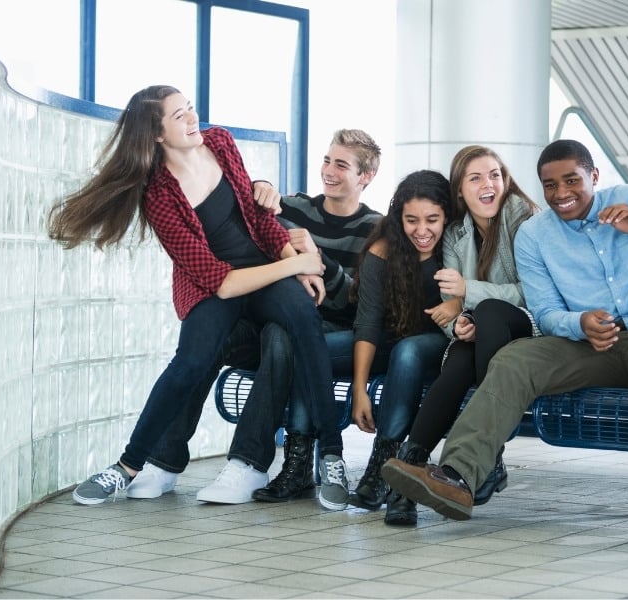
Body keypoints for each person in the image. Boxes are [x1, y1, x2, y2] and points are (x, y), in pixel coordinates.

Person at [383, 139, 628, 554]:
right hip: (587, 341)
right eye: (550, 185)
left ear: (594, 176)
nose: (560, 194)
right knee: (515, 359)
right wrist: (580, 323)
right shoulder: (535, 235)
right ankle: (459, 477)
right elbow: (545, 311)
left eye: (572, 180)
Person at [46, 85, 349, 510]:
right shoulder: (159, 195)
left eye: (190, 109)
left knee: (303, 321)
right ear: (155, 134)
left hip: (265, 272)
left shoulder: (220, 143)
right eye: (179, 116)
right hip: (217, 286)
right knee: (188, 363)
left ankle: (331, 456)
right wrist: (298, 265)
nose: (193, 119)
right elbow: (218, 280)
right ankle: (128, 466)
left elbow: (260, 220)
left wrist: (288, 255)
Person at [125, 129, 383, 505]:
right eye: (327, 160)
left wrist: (318, 260)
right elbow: (251, 214)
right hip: (265, 327)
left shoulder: (376, 231)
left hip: (325, 336)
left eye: (341, 165)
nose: (329, 170)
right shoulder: (293, 209)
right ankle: (163, 462)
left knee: (281, 335)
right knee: (212, 340)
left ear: (366, 176)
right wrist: (258, 185)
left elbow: (356, 306)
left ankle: (248, 463)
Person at [383, 145, 539, 526]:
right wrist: (459, 326)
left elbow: (532, 293)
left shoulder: (525, 220)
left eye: (495, 175)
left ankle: (489, 449)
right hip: (483, 333)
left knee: (487, 312)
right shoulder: (456, 234)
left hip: (531, 327)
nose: (489, 184)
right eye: (476, 178)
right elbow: (451, 306)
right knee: (456, 365)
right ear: (460, 192)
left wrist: (470, 292)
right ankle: (407, 478)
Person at [347, 169, 454, 513]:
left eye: (432, 220)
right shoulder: (383, 249)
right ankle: (314, 456)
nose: (422, 231)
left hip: (438, 348)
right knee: (311, 347)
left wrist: (458, 304)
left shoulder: (457, 246)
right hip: (389, 344)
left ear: (446, 216)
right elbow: (368, 324)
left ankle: (384, 465)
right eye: (412, 220)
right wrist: (360, 390)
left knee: (408, 352)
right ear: (399, 218)